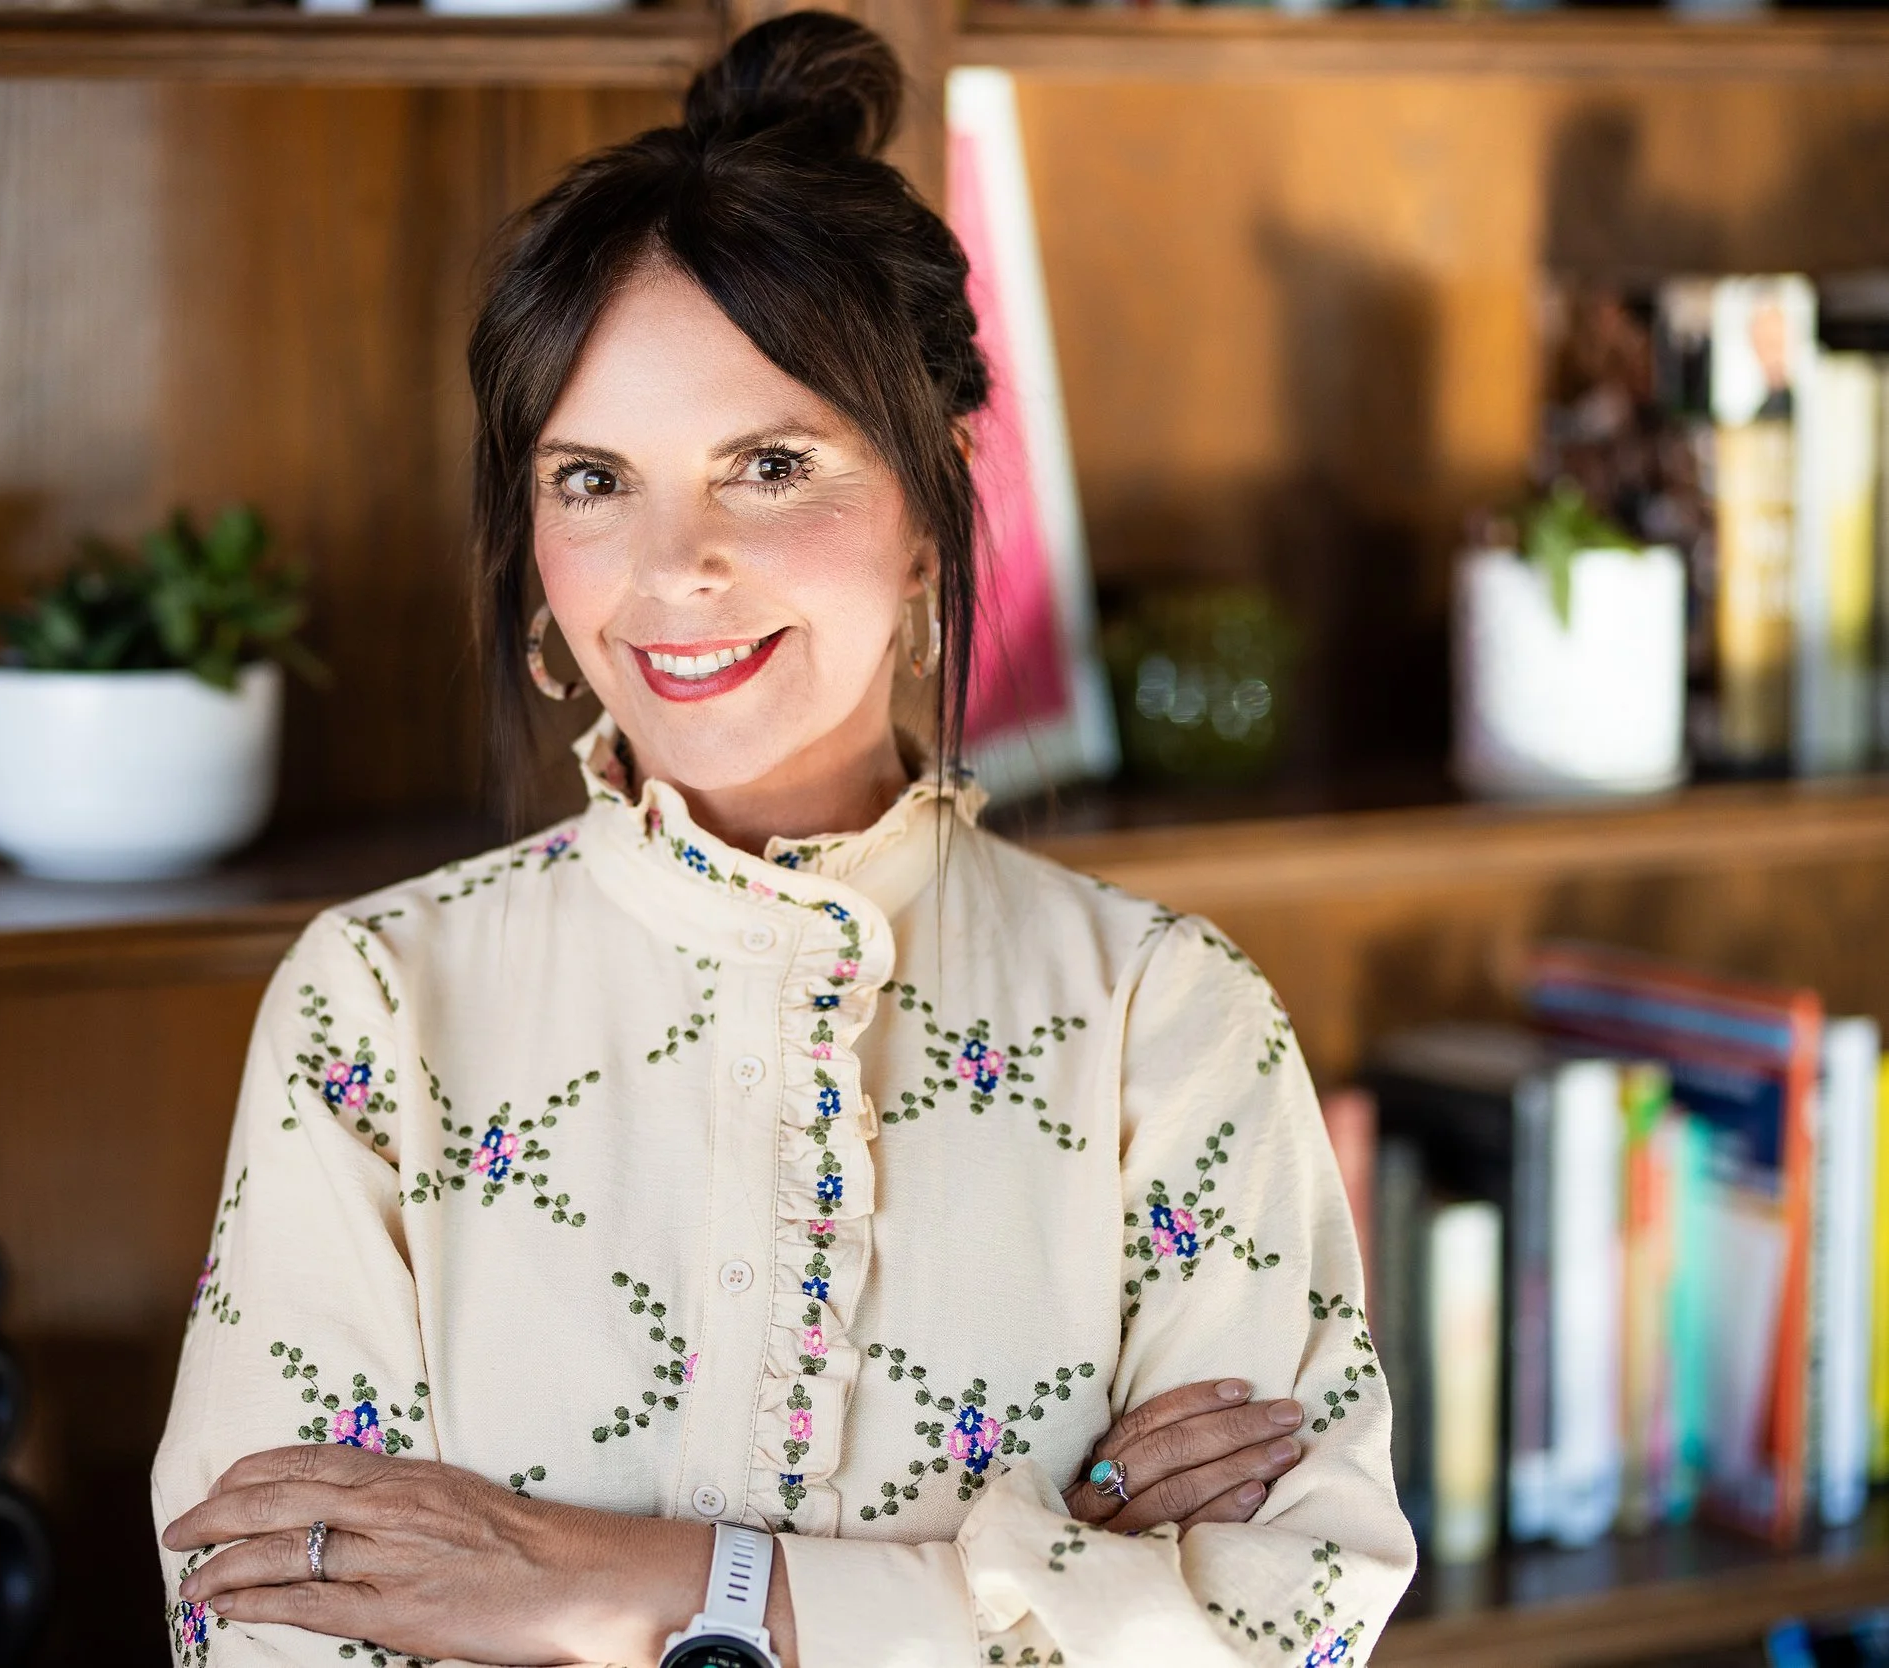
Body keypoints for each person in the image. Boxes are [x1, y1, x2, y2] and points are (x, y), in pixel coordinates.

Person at [152, 15, 1412, 1665]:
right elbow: (260, 1622)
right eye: (592, 478)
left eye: (768, 465)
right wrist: (1039, 1586)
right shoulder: (377, 1010)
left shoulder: (1164, 1025)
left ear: (933, 509)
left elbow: (1283, 1630)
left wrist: (599, 1580)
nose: (672, 566)